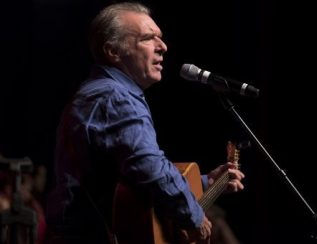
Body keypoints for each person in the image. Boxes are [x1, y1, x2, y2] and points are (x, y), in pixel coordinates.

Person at [46, 2, 245, 244]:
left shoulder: (108, 94)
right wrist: (193, 216)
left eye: (160, 38)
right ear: (113, 51)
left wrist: (207, 183)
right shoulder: (115, 97)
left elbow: (134, 183)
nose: (163, 47)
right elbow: (150, 168)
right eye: (148, 38)